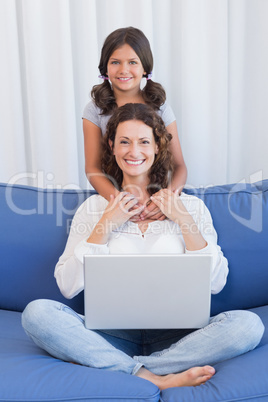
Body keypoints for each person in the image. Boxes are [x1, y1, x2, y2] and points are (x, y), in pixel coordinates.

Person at [22, 104, 264, 390]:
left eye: (144, 141)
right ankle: (154, 376)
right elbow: (67, 285)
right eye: (124, 141)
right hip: (109, 333)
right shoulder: (94, 208)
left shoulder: (190, 207)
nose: (133, 151)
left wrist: (184, 220)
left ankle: (120, 366)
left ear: (158, 147)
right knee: (36, 313)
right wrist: (105, 224)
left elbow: (217, 283)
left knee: (249, 326)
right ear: (111, 146)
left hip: (181, 336)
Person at [83, 26, 187, 222]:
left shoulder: (160, 107)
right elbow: (93, 169)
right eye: (115, 62)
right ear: (105, 67)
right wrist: (121, 203)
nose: (124, 70)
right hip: (116, 199)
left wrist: (166, 202)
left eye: (132, 62)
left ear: (145, 67)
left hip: (158, 199)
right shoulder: (94, 110)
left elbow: (180, 166)